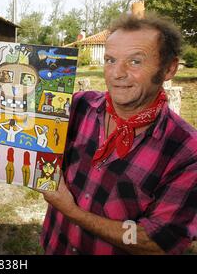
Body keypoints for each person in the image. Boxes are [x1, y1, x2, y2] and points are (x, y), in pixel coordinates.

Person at [39, 13, 197, 255]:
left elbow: (157, 242)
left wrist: (73, 212)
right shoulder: (78, 106)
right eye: (110, 60)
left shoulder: (187, 151)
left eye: (135, 61)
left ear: (169, 68)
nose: (117, 73)